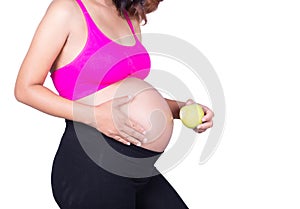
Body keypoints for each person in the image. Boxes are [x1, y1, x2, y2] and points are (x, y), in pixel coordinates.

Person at [14, 0, 214, 208]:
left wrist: (181, 109)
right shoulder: (67, 9)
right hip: (94, 162)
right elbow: (25, 89)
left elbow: (125, 94)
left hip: (140, 166)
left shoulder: (129, 15)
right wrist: (93, 115)